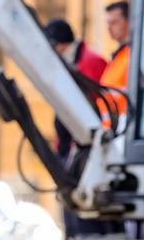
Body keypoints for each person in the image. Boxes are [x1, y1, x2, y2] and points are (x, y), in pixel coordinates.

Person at [44, 18, 107, 161]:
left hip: (83, 146)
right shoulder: (69, 63)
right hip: (71, 144)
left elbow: (98, 105)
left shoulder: (91, 63)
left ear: (59, 45)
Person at [99, 1, 131, 128]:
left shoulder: (132, 56)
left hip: (123, 128)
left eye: (114, 22)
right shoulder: (119, 56)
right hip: (113, 130)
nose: (109, 28)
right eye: (108, 23)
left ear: (129, 22)